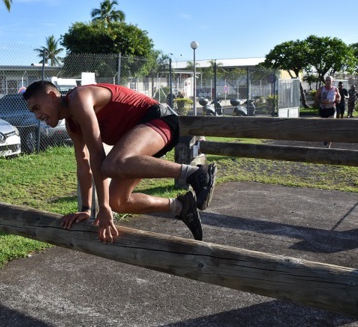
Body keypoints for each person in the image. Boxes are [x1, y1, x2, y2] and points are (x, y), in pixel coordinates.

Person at [23, 81, 217, 243]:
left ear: (51, 96)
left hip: (159, 120)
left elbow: (97, 156)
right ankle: (181, 207)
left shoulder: (79, 98)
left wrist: (103, 207)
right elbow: (83, 164)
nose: (37, 116)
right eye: (33, 112)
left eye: (37, 108)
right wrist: (86, 209)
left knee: (111, 165)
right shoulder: (73, 125)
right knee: (118, 201)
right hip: (132, 147)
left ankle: (195, 173)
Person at [314, 76, 340, 148]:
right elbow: (315, 98)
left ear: (332, 81)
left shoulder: (335, 89)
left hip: (332, 109)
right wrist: (321, 101)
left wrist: (338, 100)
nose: (328, 82)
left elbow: (339, 96)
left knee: (331, 126)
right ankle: (325, 138)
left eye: (329, 80)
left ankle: (329, 145)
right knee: (324, 126)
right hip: (323, 109)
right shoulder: (321, 89)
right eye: (327, 80)